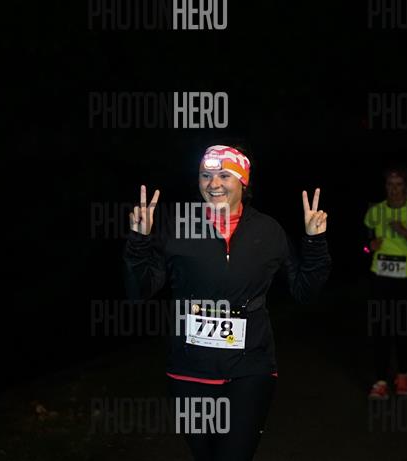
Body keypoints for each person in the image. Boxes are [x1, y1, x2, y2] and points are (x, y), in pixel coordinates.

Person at [123, 144, 331, 460]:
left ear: (243, 182)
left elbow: (304, 291)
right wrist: (139, 241)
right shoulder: (178, 227)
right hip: (189, 370)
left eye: (224, 175)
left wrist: (314, 242)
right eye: (205, 176)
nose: (213, 184)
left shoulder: (268, 231)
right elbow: (140, 290)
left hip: (250, 369)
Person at [364, 166, 407, 399]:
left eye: (399, 184)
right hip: (380, 276)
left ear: (406, 187)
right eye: (390, 184)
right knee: (380, 330)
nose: (394, 189)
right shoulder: (375, 212)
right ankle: (381, 381)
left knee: (402, 329)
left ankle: (402, 375)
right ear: (385, 187)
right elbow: (364, 244)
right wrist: (368, 247)